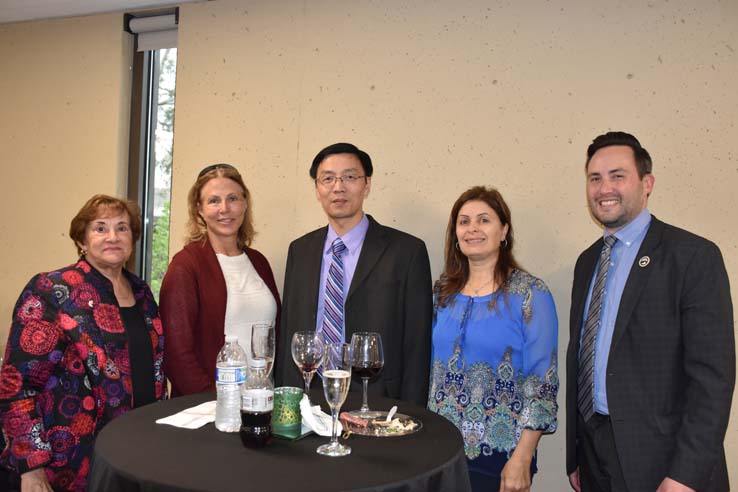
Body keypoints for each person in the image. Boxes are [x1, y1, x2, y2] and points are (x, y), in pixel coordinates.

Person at [566, 132, 735, 492]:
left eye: (617, 175)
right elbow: (581, 357)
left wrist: (685, 475)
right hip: (597, 455)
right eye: (595, 178)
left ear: (647, 184)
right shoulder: (587, 263)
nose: (603, 188)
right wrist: (577, 453)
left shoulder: (692, 257)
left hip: (664, 462)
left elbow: (713, 378)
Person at [0, 195, 166, 492]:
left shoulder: (143, 294)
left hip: (135, 457)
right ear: (82, 240)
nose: (112, 237)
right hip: (68, 465)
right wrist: (31, 469)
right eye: (100, 228)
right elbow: (17, 385)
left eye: (122, 228)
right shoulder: (53, 290)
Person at [275, 142, 433, 405]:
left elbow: (417, 344)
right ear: (317, 189)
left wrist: (412, 411)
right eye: (328, 179)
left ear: (367, 185)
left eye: (350, 177)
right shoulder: (299, 251)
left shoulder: (407, 252)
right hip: (307, 395)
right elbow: (289, 331)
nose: (338, 187)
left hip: (378, 399)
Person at [428, 186, 558, 492]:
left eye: (484, 220)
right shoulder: (441, 294)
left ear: (504, 231)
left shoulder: (530, 294)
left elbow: (543, 382)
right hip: (439, 453)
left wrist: (522, 458)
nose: (472, 228)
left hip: (502, 458)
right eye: (464, 221)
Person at [160, 163, 281, 396]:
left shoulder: (259, 262)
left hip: (261, 401)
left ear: (245, 204)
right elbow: (177, 355)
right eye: (214, 201)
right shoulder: (186, 266)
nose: (225, 209)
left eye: (233, 198)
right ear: (199, 209)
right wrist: (213, 402)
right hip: (210, 409)